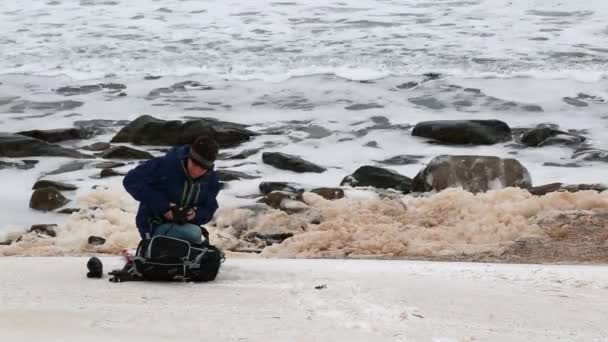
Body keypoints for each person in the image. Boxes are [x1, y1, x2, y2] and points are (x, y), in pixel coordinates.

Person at [123, 135, 221, 244]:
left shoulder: (211, 180)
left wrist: (195, 214)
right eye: (195, 164)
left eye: (203, 168)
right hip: (153, 224)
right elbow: (131, 180)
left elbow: (210, 207)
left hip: (185, 226)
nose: (197, 171)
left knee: (196, 238)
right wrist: (164, 207)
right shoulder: (165, 165)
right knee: (193, 234)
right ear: (189, 156)